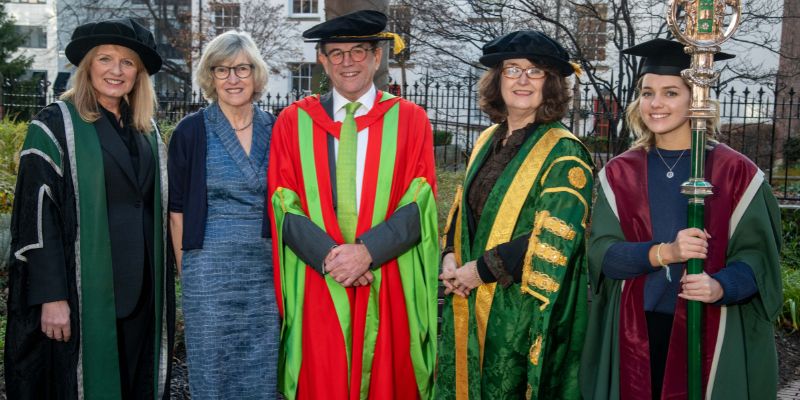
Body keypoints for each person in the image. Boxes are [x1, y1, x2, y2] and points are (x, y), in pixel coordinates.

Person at [580, 39, 782, 400]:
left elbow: (758, 259)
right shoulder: (619, 173)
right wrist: (664, 253)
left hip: (710, 328)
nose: (655, 104)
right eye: (647, 93)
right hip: (636, 327)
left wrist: (721, 286)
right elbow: (603, 255)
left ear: (697, 100)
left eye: (671, 93)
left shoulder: (736, 173)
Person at [267, 9, 439, 400]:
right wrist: (332, 258)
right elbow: (283, 201)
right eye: (337, 53)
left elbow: (420, 202)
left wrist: (367, 253)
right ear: (322, 61)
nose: (348, 62)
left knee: (386, 377)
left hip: (386, 274)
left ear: (377, 57)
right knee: (322, 379)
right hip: (320, 276)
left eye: (358, 51)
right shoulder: (293, 122)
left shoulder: (410, 120)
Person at [4, 18, 173, 399]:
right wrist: (52, 296)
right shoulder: (54, 125)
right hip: (84, 291)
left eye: (127, 62)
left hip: (144, 289)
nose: (116, 71)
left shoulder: (147, 131)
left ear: (139, 73)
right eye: (105, 59)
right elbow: (36, 217)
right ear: (87, 66)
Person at [434, 30, 593, 399]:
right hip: (468, 296)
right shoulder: (488, 139)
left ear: (551, 84)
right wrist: (450, 258)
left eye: (535, 71)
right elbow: (463, 209)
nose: (522, 80)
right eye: (512, 69)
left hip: (517, 311)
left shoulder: (565, 153)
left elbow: (555, 238)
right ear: (497, 79)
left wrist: (479, 271)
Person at [167, 30, 279, 398]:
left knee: (261, 363)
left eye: (242, 69)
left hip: (264, 267)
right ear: (210, 77)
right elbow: (177, 210)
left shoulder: (278, 130)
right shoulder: (191, 131)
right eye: (222, 70)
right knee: (212, 365)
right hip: (207, 266)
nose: (233, 79)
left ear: (256, 74)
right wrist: (189, 272)